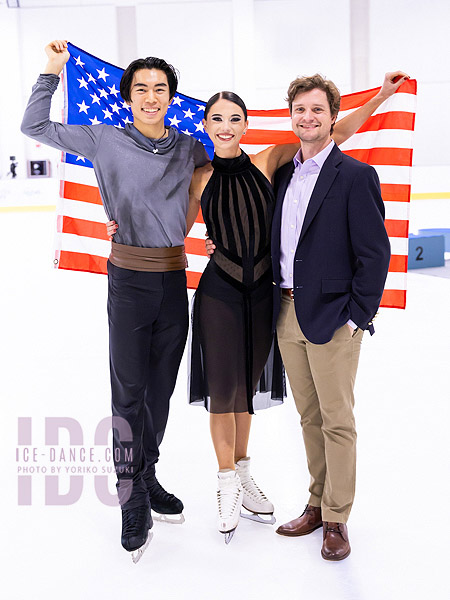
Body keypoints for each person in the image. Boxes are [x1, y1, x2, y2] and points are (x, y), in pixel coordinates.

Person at [160, 70, 406, 543]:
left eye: (235, 118)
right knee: (259, 401)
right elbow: (172, 228)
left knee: (301, 410)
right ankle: (255, 491)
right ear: (206, 125)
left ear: (247, 124)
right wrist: (121, 227)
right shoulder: (225, 175)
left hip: (300, 306)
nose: (226, 126)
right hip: (249, 300)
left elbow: (339, 135)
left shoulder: (275, 160)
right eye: (217, 119)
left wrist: (380, 98)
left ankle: (327, 513)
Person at [21, 40, 209, 562]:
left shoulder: (190, 147)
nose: (152, 97)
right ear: (127, 96)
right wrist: (50, 72)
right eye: (142, 89)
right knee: (127, 394)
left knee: (160, 394)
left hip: (175, 282)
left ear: (172, 96)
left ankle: (146, 476)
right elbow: (34, 128)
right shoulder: (103, 139)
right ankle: (130, 499)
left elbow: (227, 176)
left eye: (161, 89)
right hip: (128, 281)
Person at [271, 74, 393, 561]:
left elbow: (375, 254)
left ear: (332, 116)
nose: (307, 117)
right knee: (309, 417)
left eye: (317, 110)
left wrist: (356, 316)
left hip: (334, 318)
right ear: (291, 115)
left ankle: (337, 519)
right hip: (285, 312)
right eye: (300, 109)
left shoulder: (355, 176)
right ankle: (316, 504)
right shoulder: (283, 175)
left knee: (337, 421)